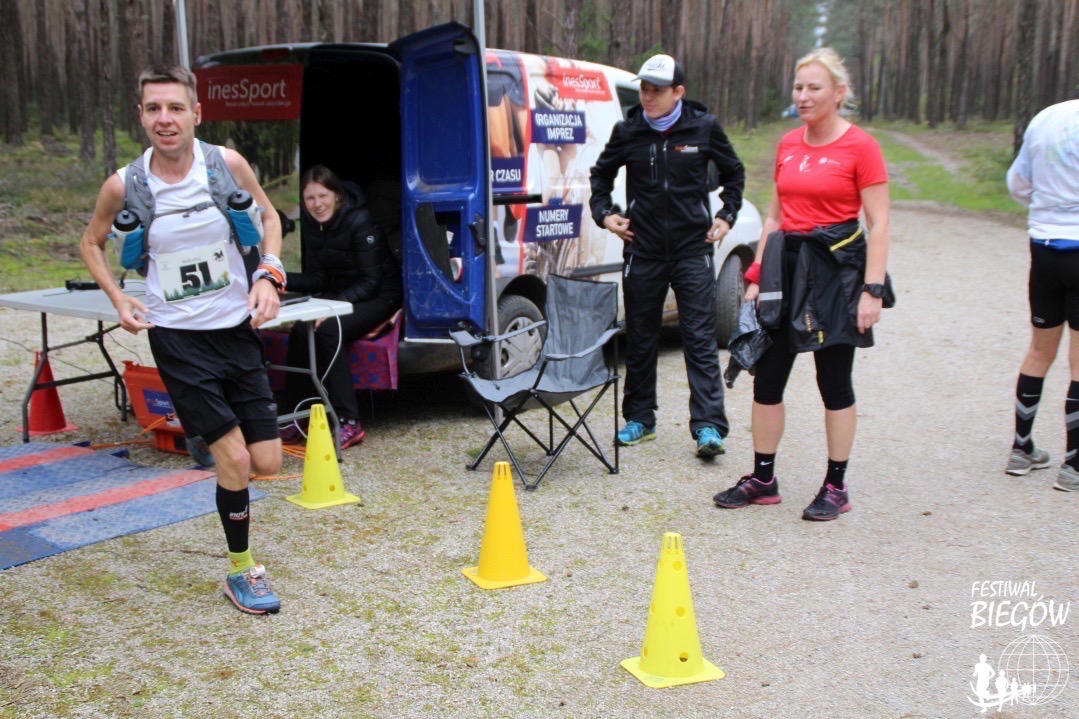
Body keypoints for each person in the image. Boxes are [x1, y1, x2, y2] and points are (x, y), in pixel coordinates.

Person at [79, 65, 284, 614]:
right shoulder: (125, 185)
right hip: (178, 340)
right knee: (235, 459)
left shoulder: (225, 166)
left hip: (236, 330)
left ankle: (205, 437)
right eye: (153, 109)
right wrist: (119, 299)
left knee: (267, 462)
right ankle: (242, 570)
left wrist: (269, 275)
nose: (164, 119)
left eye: (175, 108)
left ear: (196, 113)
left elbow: (269, 217)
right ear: (141, 117)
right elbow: (91, 242)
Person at [712, 47, 890, 521]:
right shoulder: (789, 143)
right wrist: (755, 277)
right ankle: (762, 479)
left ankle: (836, 486)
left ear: (839, 93)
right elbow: (775, 216)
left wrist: (872, 290)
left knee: (834, 382)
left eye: (814, 88)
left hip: (836, 274)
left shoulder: (861, 147)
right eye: (798, 87)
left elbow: (879, 223)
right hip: (786, 270)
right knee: (767, 379)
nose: (804, 96)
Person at [589, 54, 745, 458]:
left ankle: (709, 427)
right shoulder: (629, 130)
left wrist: (727, 215)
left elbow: (734, 173)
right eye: (644, 89)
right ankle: (640, 420)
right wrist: (605, 215)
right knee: (641, 337)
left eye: (657, 90)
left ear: (678, 92)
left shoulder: (703, 127)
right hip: (643, 250)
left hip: (692, 250)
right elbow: (600, 175)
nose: (647, 97)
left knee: (699, 338)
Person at [278, 164, 402, 448]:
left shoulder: (360, 220)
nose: (317, 204)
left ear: (336, 195)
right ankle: (297, 416)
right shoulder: (313, 225)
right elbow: (319, 278)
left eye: (323, 196)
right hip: (344, 292)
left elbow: (371, 281)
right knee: (300, 331)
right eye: (310, 198)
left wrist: (329, 308)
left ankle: (349, 420)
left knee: (328, 330)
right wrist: (282, 279)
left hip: (381, 294)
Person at [1003, 99, 1079, 492]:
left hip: (1045, 246)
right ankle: (1073, 466)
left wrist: (1047, 209)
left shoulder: (1047, 117)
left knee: (1039, 350)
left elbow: (1018, 183)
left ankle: (1021, 448)